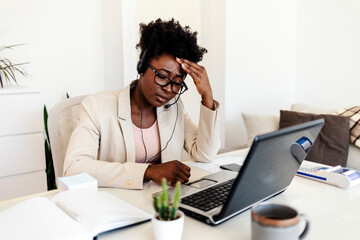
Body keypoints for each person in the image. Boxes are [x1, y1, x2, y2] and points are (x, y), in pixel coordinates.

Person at [63, 18, 220, 189]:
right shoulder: (96, 106)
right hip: (114, 204)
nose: (169, 89)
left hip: (161, 204)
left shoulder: (174, 106)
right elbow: (74, 167)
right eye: (162, 76)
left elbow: (205, 154)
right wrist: (148, 171)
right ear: (142, 66)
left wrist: (207, 97)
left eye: (177, 83)